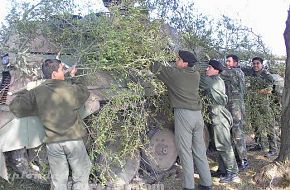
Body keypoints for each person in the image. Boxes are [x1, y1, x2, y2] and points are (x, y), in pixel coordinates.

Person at [9, 59, 92, 190]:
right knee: (81, 176)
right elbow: (84, 92)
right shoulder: (69, 89)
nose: (63, 72)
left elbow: (15, 107)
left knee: (58, 181)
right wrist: (73, 77)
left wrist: (26, 90)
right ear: (54, 74)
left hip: (53, 144)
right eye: (61, 69)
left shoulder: (37, 92)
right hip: (73, 141)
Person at [150, 50, 212, 190]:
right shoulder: (195, 75)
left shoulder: (175, 75)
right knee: (199, 152)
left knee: (185, 152)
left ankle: (188, 187)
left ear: (184, 63)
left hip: (184, 116)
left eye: (178, 59)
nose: (176, 61)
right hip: (197, 116)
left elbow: (155, 67)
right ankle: (206, 184)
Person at [199, 60, 240, 183]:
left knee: (224, 145)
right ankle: (223, 170)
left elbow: (195, 79)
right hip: (218, 114)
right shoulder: (216, 80)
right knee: (220, 144)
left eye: (209, 67)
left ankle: (232, 173)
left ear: (216, 70)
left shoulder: (210, 81)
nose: (207, 69)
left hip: (219, 115)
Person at [242, 57, 278, 158]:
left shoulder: (267, 75)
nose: (255, 65)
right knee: (255, 124)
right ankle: (259, 144)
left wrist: (254, 92)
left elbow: (269, 90)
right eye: (254, 64)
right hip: (253, 104)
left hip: (264, 104)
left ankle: (273, 149)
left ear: (262, 64)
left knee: (269, 126)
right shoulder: (251, 72)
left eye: (257, 63)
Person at [221, 54, 248, 170]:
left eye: (229, 61)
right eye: (226, 61)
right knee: (232, 134)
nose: (227, 63)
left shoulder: (236, 72)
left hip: (236, 106)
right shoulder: (229, 72)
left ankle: (243, 160)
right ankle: (236, 159)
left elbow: (221, 72)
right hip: (230, 105)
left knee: (238, 134)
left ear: (235, 63)